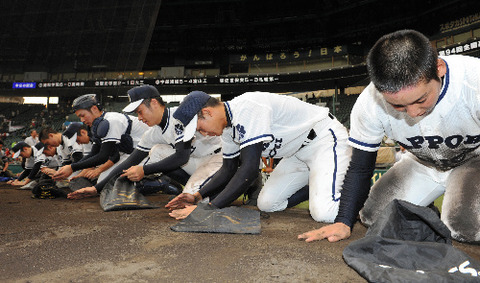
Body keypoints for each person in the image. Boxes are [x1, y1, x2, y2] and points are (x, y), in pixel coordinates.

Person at [298, 29, 480, 243]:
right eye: (397, 105)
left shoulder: (473, 81)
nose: (412, 113)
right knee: (373, 218)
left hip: (473, 160)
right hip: (422, 162)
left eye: (421, 99)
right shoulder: (369, 103)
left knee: (465, 228)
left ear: (439, 68)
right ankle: (424, 210)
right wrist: (344, 221)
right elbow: (361, 166)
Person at [166, 90, 351, 222]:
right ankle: (320, 184)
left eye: (200, 128)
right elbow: (228, 169)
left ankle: (354, 191)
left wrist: (208, 209)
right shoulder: (227, 130)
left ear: (207, 113)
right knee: (268, 203)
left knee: (325, 214)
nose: (203, 134)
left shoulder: (248, 107)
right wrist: (197, 196)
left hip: (323, 139)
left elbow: (249, 170)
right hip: (295, 152)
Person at [67, 85, 223, 200]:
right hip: (195, 164)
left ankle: (224, 188)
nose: (139, 117)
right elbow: (130, 161)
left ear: (154, 103)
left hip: (216, 161)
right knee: (157, 150)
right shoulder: (153, 133)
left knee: (198, 202)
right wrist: (96, 188)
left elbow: (181, 157)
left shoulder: (179, 114)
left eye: (140, 111)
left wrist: (144, 170)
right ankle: (196, 188)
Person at [53, 93, 149, 183]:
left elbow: (103, 156)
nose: (82, 120)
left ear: (94, 109)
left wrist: (72, 168)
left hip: (148, 152)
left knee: (112, 182)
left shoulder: (111, 120)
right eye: (79, 117)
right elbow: (94, 153)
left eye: (83, 115)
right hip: (131, 154)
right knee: (103, 181)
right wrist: (71, 167)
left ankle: (154, 178)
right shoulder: (97, 125)